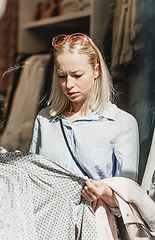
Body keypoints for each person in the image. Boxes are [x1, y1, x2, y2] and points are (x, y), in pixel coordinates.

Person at [29, 33, 139, 210]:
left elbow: (128, 199)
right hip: (48, 224)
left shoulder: (121, 124)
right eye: (61, 76)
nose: (68, 84)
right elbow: (33, 184)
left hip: (95, 225)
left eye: (77, 75)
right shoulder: (45, 119)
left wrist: (105, 192)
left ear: (96, 71)